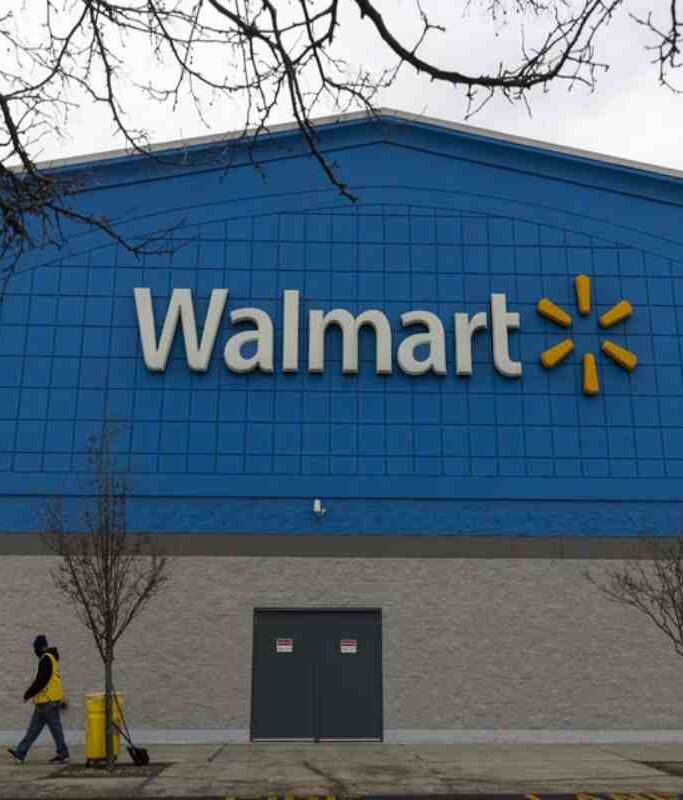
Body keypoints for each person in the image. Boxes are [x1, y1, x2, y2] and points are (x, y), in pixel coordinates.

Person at [7, 635, 70, 764]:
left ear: (40, 647)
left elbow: (41, 680)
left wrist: (28, 694)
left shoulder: (46, 659)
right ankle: (20, 753)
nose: (34, 651)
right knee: (37, 729)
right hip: (45, 702)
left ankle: (62, 753)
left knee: (52, 729)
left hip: (47, 701)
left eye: (35, 648)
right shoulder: (50, 658)